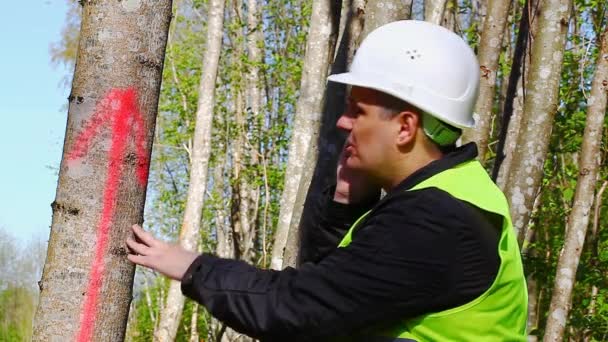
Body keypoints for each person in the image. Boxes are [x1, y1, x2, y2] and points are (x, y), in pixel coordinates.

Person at [126, 20, 528, 341]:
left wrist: (194, 268)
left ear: (405, 127)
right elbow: (343, 288)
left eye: (358, 111)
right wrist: (346, 201)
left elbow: (300, 311)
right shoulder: (454, 193)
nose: (343, 122)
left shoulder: (436, 219)